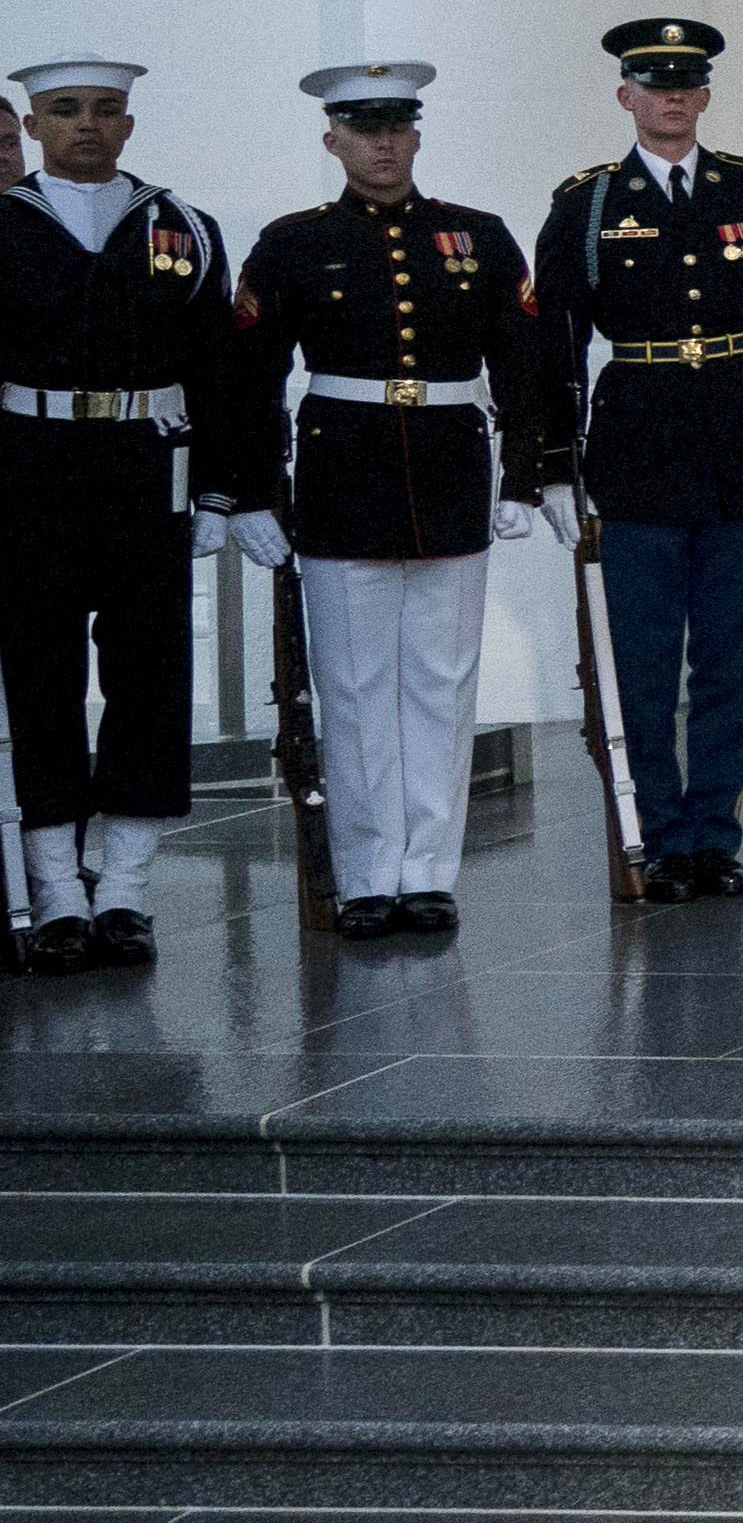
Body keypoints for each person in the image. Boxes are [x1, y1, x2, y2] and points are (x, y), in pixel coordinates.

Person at [215, 63, 558, 936]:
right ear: (332, 140)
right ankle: (368, 873)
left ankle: (430, 870)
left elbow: (525, 363)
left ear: (416, 135)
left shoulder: (475, 237)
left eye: (397, 128)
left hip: (449, 474)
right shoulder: (292, 243)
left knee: (442, 686)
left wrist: (524, 475)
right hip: (341, 478)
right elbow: (248, 377)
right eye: (364, 130)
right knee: (356, 688)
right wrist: (251, 493)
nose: (383, 144)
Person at [526, 17, 743, 902]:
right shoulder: (587, 202)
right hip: (638, 446)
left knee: (732, 655)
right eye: (656, 86)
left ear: (705, 95)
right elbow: (556, 340)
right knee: (645, 658)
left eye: (689, 84)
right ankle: (655, 833)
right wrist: (550, 462)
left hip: (739, 439)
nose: (674, 99)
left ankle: (713, 835)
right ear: (627, 97)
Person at [0, 58, 235, 964]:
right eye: (65, 112)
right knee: (41, 673)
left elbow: (219, 369)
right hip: (31, 467)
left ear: (129, 126)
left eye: (106, 112)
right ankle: (56, 887)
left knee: (149, 674)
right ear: (32, 127)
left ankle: (129, 886)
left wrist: (224, 489)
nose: (87, 126)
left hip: (146, 468)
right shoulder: (5, 225)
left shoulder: (182, 227)